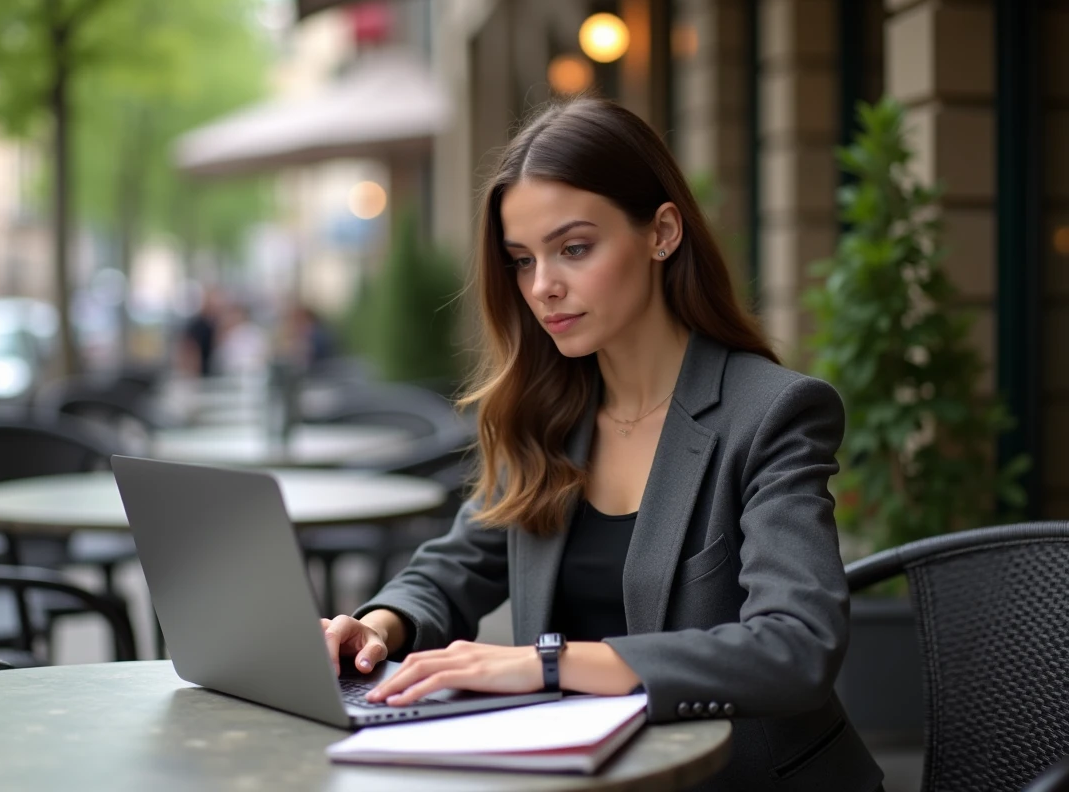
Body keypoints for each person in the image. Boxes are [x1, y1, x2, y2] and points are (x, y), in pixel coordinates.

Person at [321, 97, 885, 791]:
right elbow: (458, 563)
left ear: (662, 233)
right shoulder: (550, 413)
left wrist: (548, 664)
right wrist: (380, 625)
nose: (542, 287)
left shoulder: (771, 413)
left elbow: (796, 646)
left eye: (574, 249)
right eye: (521, 260)